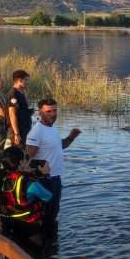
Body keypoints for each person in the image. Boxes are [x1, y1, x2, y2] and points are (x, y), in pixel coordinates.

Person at [0, 145, 52, 259]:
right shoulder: (27, 182)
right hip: (30, 229)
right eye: (26, 159)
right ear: (20, 163)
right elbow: (48, 196)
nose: (29, 160)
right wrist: (45, 176)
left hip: (8, 228)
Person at [25, 98, 81, 246]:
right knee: (45, 216)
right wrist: (34, 178)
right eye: (48, 111)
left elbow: (59, 146)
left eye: (54, 110)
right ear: (41, 112)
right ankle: (42, 250)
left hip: (55, 178)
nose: (52, 114)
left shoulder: (52, 127)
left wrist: (71, 138)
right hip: (44, 180)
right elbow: (26, 159)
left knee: (53, 213)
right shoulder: (37, 131)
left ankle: (50, 247)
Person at [6, 70, 33, 147]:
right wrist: (16, 134)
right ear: (20, 80)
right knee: (17, 154)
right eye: (26, 80)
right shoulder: (13, 94)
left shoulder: (20, 92)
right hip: (18, 131)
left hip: (24, 129)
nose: (28, 82)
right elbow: (12, 114)